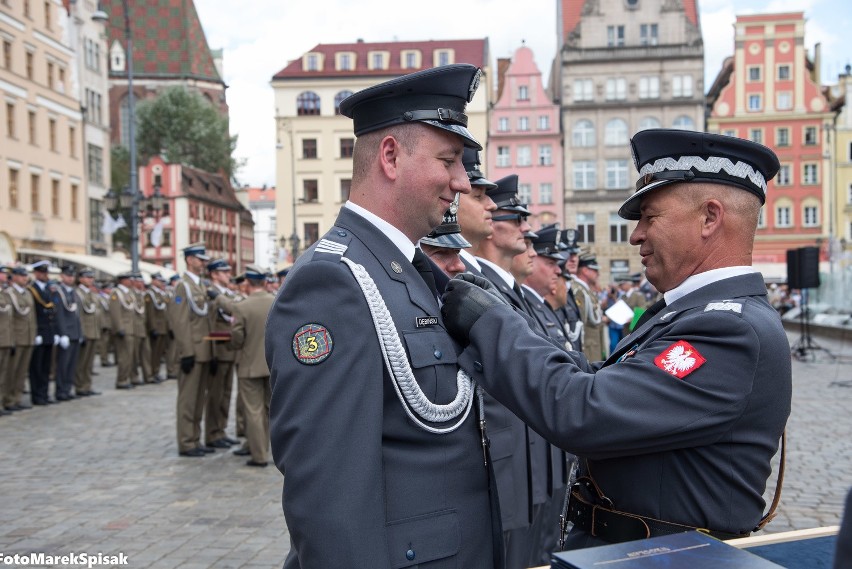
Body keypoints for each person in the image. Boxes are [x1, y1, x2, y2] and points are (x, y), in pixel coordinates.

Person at [440, 129, 792, 550]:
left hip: (661, 559)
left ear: (710, 218)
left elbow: (584, 410)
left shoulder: (729, 330)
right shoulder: (690, 314)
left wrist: (490, 321)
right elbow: (600, 378)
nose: (636, 235)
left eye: (650, 216)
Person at [266, 64, 502, 569]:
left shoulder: (409, 269)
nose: (462, 181)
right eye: (449, 160)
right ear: (391, 157)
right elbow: (329, 494)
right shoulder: (333, 282)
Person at [228, 265, 274, 467]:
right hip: (271, 364)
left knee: (253, 411)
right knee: (269, 409)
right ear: (264, 282)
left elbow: (237, 338)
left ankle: (259, 455)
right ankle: (269, 447)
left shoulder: (242, 307)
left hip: (249, 365)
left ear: (248, 283)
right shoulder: (275, 301)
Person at [172, 243, 214, 457]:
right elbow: (180, 322)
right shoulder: (183, 286)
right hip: (193, 352)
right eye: (200, 259)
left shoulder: (201, 285)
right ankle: (186, 442)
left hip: (204, 350)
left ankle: (195, 438)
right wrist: (187, 352)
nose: (203, 263)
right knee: (188, 400)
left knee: (199, 400)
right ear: (189, 260)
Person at [205, 259, 241, 449]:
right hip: (217, 350)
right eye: (224, 272)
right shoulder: (211, 294)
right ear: (214, 274)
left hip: (229, 350)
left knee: (226, 394)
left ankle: (221, 429)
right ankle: (212, 433)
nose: (228, 275)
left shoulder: (225, 293)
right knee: (216, 395)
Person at [4, 266, 36, 411]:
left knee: (22, 371)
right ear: (14, 277)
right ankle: (8, 399)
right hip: (16, 337)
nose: (25, 278)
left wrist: (34, 334)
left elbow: (31, 316)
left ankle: (17, 398)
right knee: (11, 371)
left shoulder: (27, 293)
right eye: (22, 276)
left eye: (26, 275)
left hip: (28, 336)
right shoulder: (9, 293)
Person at [28, 260, 59, 405]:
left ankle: (45, 394)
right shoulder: (32, 290)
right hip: (39, 333)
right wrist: (36, 333)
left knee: (46, 366)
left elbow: (52, 311)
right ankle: (37, 396)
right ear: (35, 273)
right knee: (36, 367)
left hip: (48, 332)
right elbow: (33, 314)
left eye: (45, 272)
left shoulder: (48, 289)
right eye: (41, 272)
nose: (44, 275)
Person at [53, 265, 83, 401]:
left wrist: (80, 333)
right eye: (67, 275)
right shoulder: (58, 292)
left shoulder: (73, 292)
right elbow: (58, 314)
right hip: (66, 334)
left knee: (72, 365)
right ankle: (60, 391)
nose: (70, 278)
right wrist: (62, 333)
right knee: (63, 365)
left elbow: (77, 315)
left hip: (75, 333)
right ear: (62, 276)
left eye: (72, 276)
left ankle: (67, 388)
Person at [572, 252, 605, 361]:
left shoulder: (585, 290)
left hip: (593, 347)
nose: (598, 274)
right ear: (585, 271)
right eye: (595, 270)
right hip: (587, 350)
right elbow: (580, 325)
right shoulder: (579, 291)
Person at [74, 267, 102, 396]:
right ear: (80, 279)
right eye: (87, 277)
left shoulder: (92, 294)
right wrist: (81, 333)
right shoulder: (77, 294)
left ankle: (87, 385)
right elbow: (78, 316)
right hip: (85, 332)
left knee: (90, 362)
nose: (90, 280)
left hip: (94, 331)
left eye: (91, 277)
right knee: (82, 362)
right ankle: (80, 386)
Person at [110, 273, 137, 390]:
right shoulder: (116, 293)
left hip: (131, 329)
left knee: (129, 356)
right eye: (128, 279)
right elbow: (115, 313)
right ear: (122, 280)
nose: (131, 281)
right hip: (124, 330)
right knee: (123, 356)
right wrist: (119, 328)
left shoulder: (129, 293)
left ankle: (126, 378)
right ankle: (121, 380)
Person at [145, 273, 170, 383]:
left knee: (159, 353)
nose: (161, 283)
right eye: (159, 281)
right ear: (154, 281)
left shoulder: (161, 294)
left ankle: (156, 372)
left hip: (163, 327)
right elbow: (150, 313)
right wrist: (152, 328)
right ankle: (150, 373)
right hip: (156, 328)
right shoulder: (150, 294)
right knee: (153, 353)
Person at [0, 265, 13, 415]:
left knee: (4, 373)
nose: (4, 276)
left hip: (6, 338)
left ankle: (3, 402)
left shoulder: (5, 293)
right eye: (2, 273)